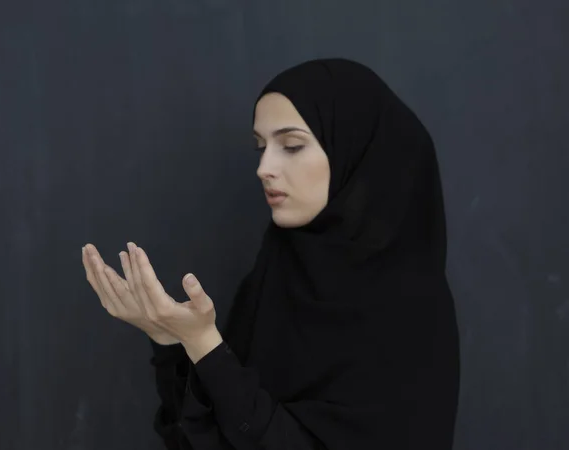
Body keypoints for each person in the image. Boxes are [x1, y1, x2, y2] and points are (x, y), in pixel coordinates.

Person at [82, 58, 460, 449]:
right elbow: (203, 439)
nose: (264, 167)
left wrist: (206, 346)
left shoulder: (409, 305)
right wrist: (171, 343)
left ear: (354, 152)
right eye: (261, 147)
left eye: (291, 145)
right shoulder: (276, 275)